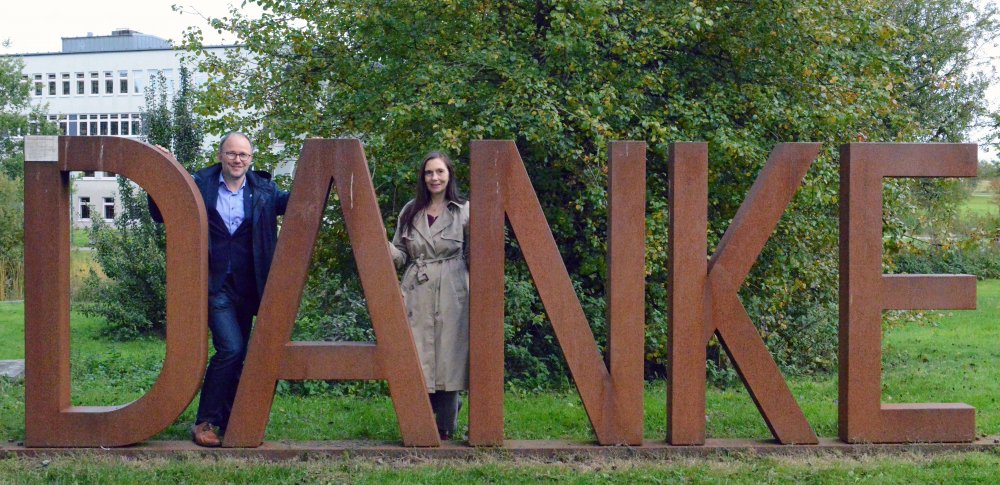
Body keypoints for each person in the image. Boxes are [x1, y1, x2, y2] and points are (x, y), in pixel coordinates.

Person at [150, 132, 289, 447]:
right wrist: (166, 169)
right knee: (230, 349)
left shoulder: (264, 191)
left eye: (243, 155)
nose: (237, 159)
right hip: (213, 286)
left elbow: (298, 202)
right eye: (231, 153)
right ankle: (206, 421)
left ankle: (231, 421)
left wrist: (323, 173)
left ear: (251, 159)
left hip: (249, 287)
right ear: (220, 155)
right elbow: (162, 213)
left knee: (240, 356)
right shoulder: (201, 184)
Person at [388, 151, 470, 440]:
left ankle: (446, 424)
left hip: (452, 288)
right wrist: (382, 246)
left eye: (439, 172)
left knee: (449, 354)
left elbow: (478, 254)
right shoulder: (411, 211)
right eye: (428, 173)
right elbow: (399, 254)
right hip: (417, 289)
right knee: (418, 352)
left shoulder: (464, 210)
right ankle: (419, 422)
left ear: (449, 175)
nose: (434, 178)